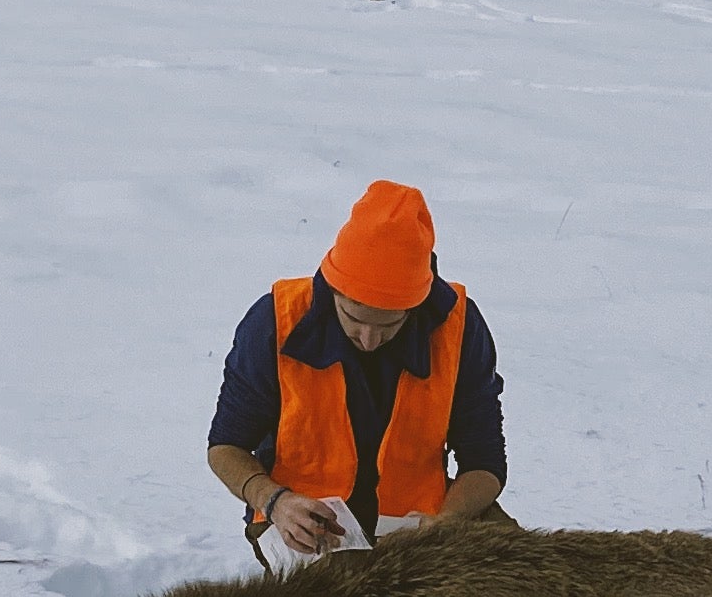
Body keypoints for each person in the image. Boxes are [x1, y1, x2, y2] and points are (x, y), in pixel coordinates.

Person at [205, 179, 506, 558]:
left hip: (421, 523)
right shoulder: (275, 321)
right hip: (304, 522)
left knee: (523, 579)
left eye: (388, 326)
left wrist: (446, 523)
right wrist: (276, 501)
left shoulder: (459, 327)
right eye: (353, 318)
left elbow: (485, 463)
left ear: (417, 307)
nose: (368, 339)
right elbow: (225, 447)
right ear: (331, 289)